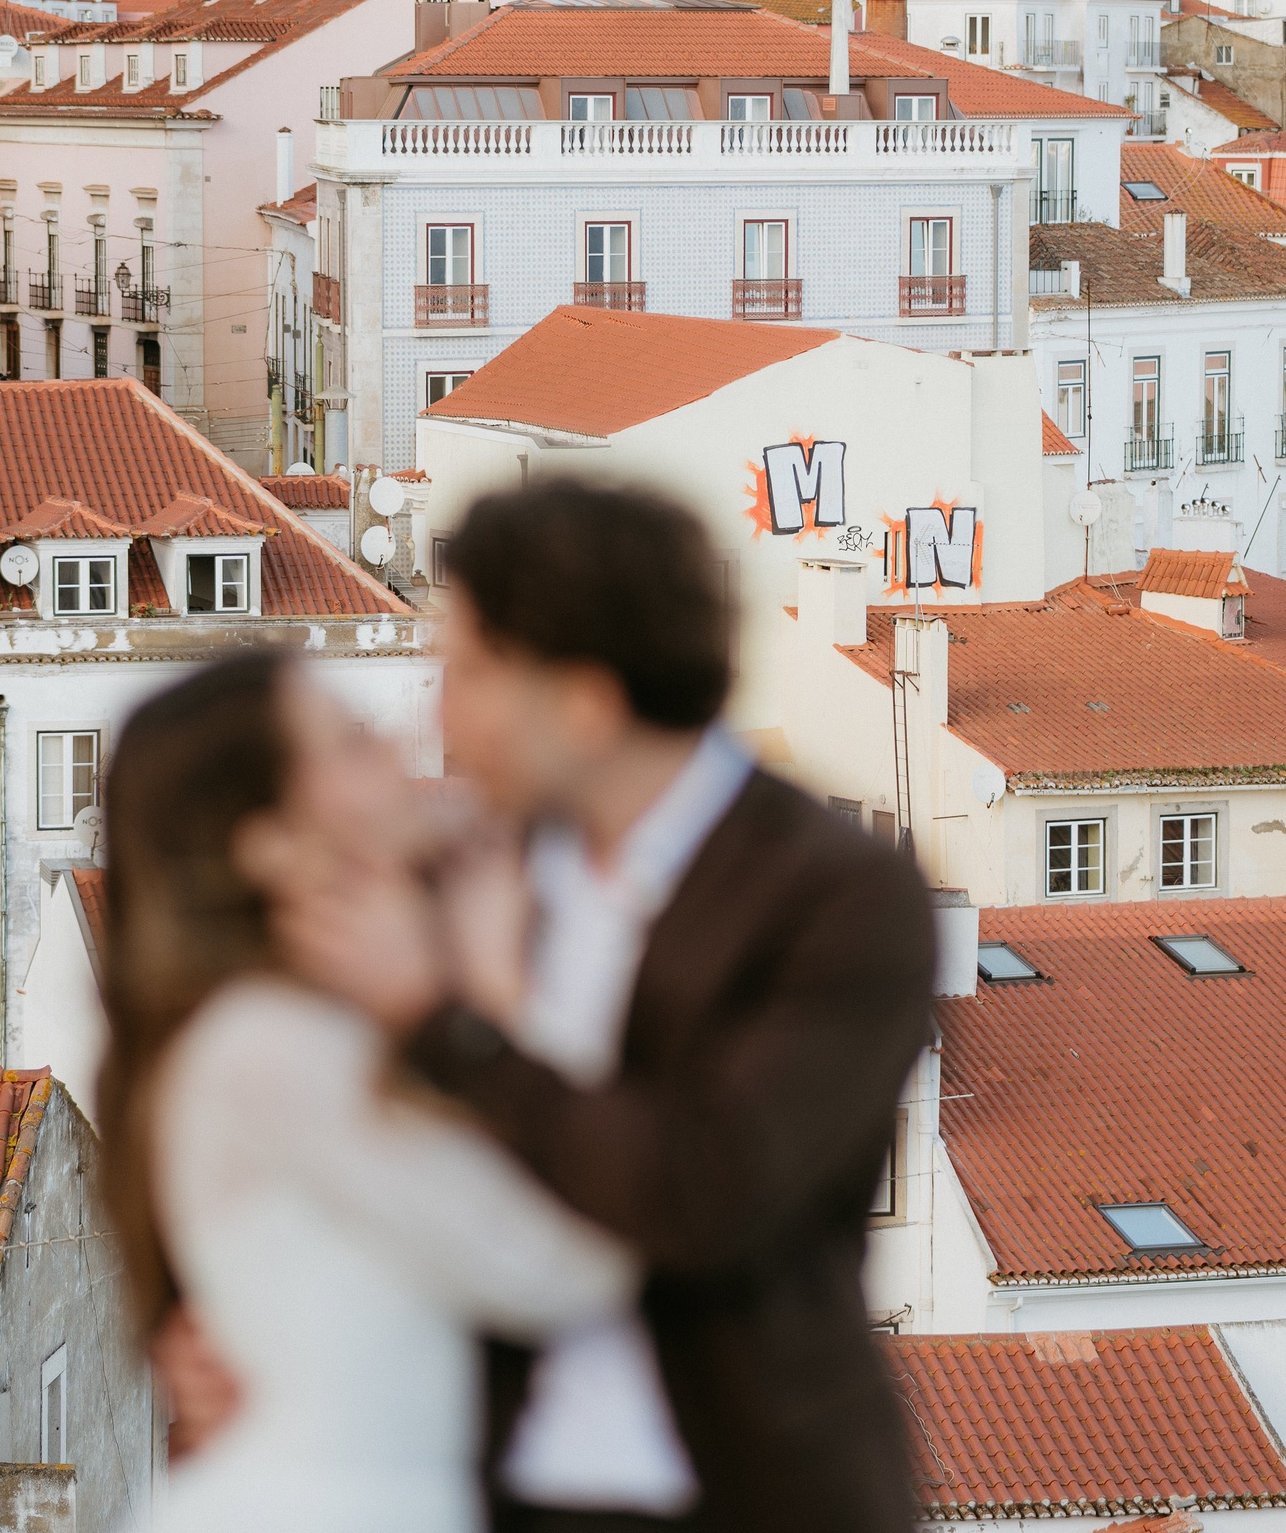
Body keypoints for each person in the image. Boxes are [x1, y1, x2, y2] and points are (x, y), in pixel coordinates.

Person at [279, 479, 935, 1533]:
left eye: (473, 672)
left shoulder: (838, 898)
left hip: (746, 1489)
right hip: (486, 1480)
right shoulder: (468, 871)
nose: (440, 714)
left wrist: (467, 1023)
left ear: (585, 701)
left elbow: (708, 1190)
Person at [97, 650, 639, 1533]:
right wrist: (501, 1001)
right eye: (351, 741)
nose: (395, 741)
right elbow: (569, 1260)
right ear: (267, 841)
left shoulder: (301, 1027)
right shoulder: (268, 1045)